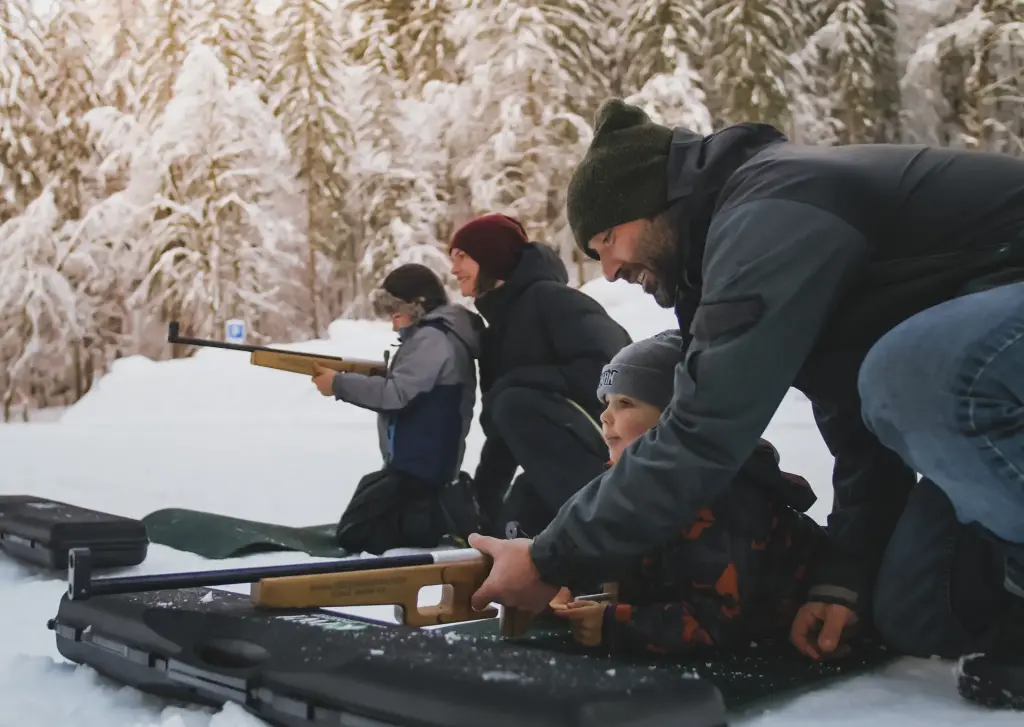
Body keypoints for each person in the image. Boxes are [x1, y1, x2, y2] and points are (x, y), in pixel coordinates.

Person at [465, 99, 1024, 709]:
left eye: (607, 238)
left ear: (656, 204)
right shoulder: (745, 257)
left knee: (914, 372)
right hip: (996, 383)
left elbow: (705, 434)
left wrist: (550, 557)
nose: (610, 268)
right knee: (916, 609)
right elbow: (861, 438)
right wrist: (841, 583)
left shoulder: (773, 210)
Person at [551, 330, 826, 654]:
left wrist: (613, 624)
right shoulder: (631, 490)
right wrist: (566, 584)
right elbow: (635, 569)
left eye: (625, 403)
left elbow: (719, 622)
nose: (605, 416)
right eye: (606, 403)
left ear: (675, 423)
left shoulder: (721, 499)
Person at [447, 213, 632, 540]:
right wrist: (483, 511)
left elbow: (614, 368)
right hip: (559, 465)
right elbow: (504, 433)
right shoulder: (495, 334)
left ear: (491, 256)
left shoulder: (552, 299)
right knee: (513, 524)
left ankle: (605, 530)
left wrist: (519, 383)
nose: (453, 269)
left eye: (462, 256)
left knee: (513, 400)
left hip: (614, 449)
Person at [311, 263, 485, 554]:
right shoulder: (436, 336)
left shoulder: (433, 339)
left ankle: (445, 517)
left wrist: (339, 385)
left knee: (357, 533)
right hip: (413, 467)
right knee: (368, 502)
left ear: (417, 307)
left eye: (396, 315)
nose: (394, 326)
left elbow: (396, 393)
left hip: (420, 471)